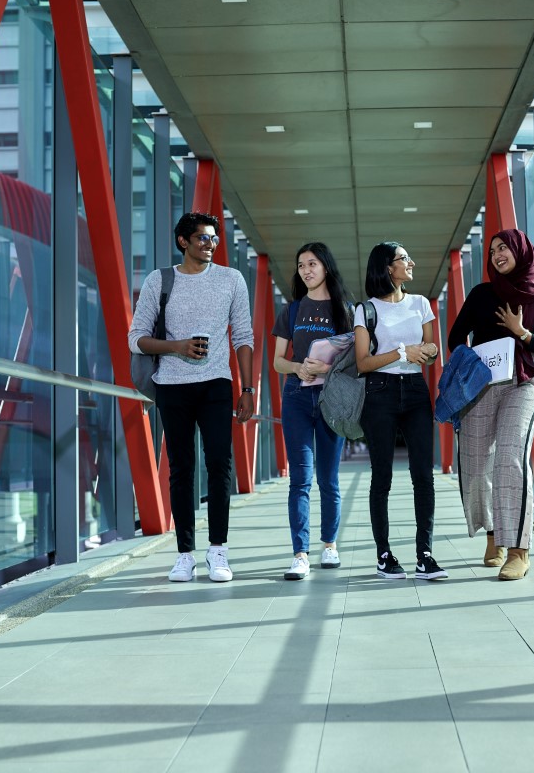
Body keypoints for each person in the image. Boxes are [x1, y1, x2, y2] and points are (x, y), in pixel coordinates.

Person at [128, 211, 254, 584]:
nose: (210, 244)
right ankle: (185, 554)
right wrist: (178, 346)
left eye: (214, 239)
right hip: (171, 385)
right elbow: (135, 337)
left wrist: (247, 388)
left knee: (220, 464)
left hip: (217, 383)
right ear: (183, 241)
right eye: (202, 238)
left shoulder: (232, 279)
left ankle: (218, 551)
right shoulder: (159, 280)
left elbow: (244, 337)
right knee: (180, 470)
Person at [447, 228, 534, 580]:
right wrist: (471, 360)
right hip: (481, 386)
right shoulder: (482, 293)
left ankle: (518, 550)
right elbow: (455, 337)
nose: (497, 253)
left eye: (503, 248)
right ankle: (494, 534)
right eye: (493, 249)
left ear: (521, 251)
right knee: (475, 461)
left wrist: (521, 331)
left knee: (511, 457)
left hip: (522, 383)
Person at [354, 241, 446, 580]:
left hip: (416, 392)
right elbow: (363, 363)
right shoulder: (365, 310)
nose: (412, 263)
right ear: (387, 267)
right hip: (379, 391)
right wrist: (402, 353)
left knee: (423, 475)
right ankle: (384, 555)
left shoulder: (421, 303)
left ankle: (425, 554)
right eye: (404, 259)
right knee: (382, 477)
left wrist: (431, 350)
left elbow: (431, 350)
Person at [272, 242, 354, 580]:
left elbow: (354, 361)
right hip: (296, 398)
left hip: (331, 399)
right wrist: (297, 368)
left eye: (313, 263)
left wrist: (326, 370)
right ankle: (300, 553)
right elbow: (277, 361)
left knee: (329, 480)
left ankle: (330, 545)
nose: (306, 270)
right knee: (300, 480)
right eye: (301, 264)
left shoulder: (345, 310)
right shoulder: (290, 311)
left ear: (326, 268)